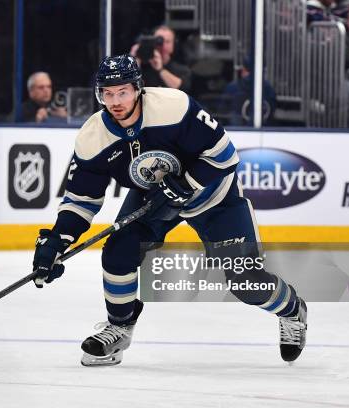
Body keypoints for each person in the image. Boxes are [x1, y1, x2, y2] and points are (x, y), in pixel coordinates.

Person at [31, 55, 307, 367]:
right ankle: (120, 327)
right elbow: (81, 199)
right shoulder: (93, 138)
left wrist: (187, 183)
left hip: (213, 195)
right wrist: (56, 242)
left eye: (122, 92)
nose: (115, 101)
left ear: (137, 89)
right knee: (118, 252)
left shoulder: (173, 107)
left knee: (245, 281)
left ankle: (292, 309)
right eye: (108, 94)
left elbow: (225, 155)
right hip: (155, 200)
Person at [130, 25, 191, 92]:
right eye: (158, 41)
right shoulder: (142, 68)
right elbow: (126, 89)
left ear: (173, 45)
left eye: (167, 41)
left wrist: (160, 70)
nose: (163, 45)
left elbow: (182, 88)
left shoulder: (182, 70)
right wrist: (133, 63)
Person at [221, 58, 277, 126]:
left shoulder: (232, 87)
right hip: (265, 128)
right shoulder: (269, 89)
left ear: (243, 70)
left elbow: (222, 110)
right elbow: (272, 110)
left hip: (235, 129)